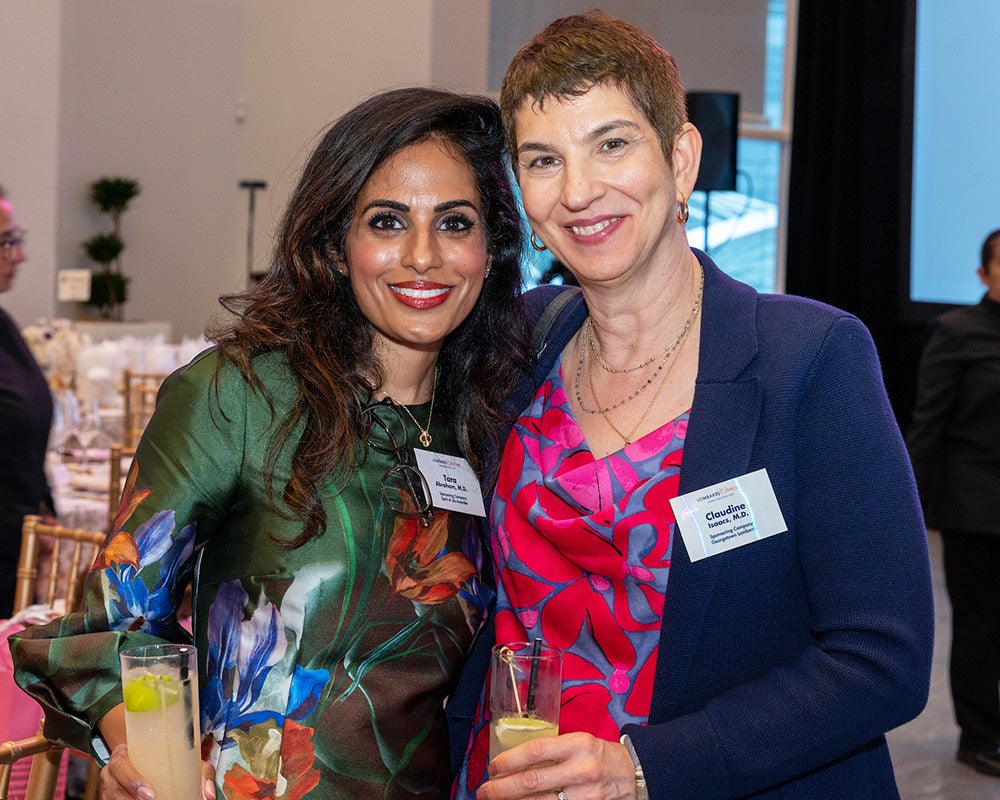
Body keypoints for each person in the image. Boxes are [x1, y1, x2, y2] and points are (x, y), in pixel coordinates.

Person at [448, 12, 935, 800]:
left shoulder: (807, 358)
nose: (578, 191)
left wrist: (643, 769)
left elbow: (882, 657)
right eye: (544, 160)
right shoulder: (518, 342)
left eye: (611, 144)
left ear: (680, 159)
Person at [11, 87, 532, 799]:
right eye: (386, 221)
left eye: (454, 223)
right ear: (336, 243)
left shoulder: (490, 422)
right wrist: (144, 748)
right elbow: (112, 623)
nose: (422, 256)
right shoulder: (241, 398)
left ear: (491, 246)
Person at [906, 228, 1000, 777]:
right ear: (983, 274)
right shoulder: (956, 333)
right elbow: (928, 426)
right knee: (980, 625)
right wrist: (909, 507)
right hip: (976, 507)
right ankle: (980, 735)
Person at [0, 183, 56, 619]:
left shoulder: (4, 324)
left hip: (14, 543)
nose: (20, 255)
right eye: (7, 242)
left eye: (19, 239)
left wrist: (44, 515)